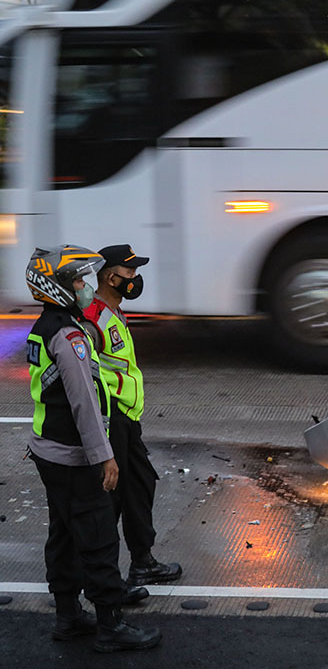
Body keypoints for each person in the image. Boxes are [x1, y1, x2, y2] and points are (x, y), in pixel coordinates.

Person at [24, 245, 161, 652]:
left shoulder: (43, 328)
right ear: (61, 287)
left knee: (63, 535)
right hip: (74, 455)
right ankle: (110, 625)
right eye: (80, 281)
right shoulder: (70, 336)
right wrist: (105, 457)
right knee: (99, 536)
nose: (87, 287)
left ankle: (68, 617)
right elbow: (84, 403)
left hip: (48, 450)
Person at [82, 244, 182, 587]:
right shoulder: (92, 318)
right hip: (111, 420)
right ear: (111, 277)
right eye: (130, 274)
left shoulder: (113, 311)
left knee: (140, 484)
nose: (136, 280)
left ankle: (143, 562)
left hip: (127, 418)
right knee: (110, 497)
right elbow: (86, 376)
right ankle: (102, 573)